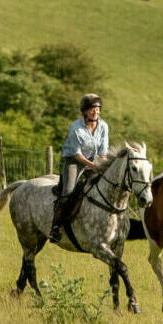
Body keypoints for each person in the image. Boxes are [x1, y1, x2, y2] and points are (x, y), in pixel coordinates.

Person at [48, 92, 109, 244]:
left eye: (98, 109)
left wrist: (102, 165)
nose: (96, 111)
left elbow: (103, 152)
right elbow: (76, 153)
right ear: (85, 111)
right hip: (74, 161)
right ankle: (55, 228)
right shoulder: (76, 127)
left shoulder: (103, 126)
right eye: (93, 109)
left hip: (93, 160)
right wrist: (92, 165)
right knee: (68, 192)